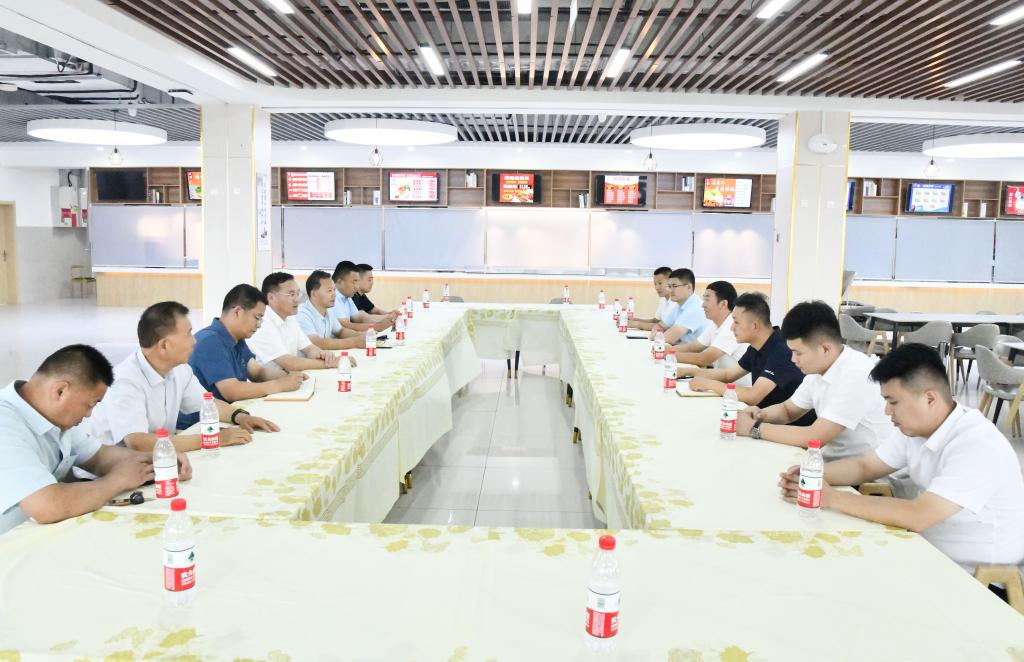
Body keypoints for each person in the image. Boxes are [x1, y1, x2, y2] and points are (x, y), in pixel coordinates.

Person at [778, 343, 1024, 571]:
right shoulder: (918, 429)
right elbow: (865, 467)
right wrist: (810, 474)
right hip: (927, 551)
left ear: (930, 399)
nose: (887, 411)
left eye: (893, 402)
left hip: (975, 576)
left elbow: (918, 515)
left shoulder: (976, 445)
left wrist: (830, 498)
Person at [0, 345, 194, 536]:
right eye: (90, 404)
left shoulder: (52, 417)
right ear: (60, 391)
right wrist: (117, 481)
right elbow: (47, 506)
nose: (89, 414)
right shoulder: (6, 424)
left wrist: (159, 460)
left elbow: (100, 457)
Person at [87, 301, 279, 453]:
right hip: (115, 471)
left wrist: (240, 416)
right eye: (188, 334)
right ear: (164, 345)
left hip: (158, 458)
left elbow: (207, 404)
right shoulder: (125, 380)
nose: (194, 340)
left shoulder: (179, 369)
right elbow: (138, 443)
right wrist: (213, 439)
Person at [735, 300, 893, 460]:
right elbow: (787, 411)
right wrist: (758, 415)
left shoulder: (856, 373)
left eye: (798, 353)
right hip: (829, 460)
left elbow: (815, 437)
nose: (793, 359)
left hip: (863, 470)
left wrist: (754, 428)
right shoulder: (818, 369)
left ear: (825, 349)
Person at [684, 292, 807, 416]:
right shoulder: (756, 346)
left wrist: (708, 384)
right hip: (762, 415)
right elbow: (728, 375)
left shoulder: (781, 350)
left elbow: (753, 396)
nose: (731, 328)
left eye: (736, 322)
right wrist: (685, 371)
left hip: (785, 424)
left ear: (754, 326)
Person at [189, 284, 308, 402]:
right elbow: (232, 391)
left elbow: (257, 372)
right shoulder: (209, 341)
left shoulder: (237, 339)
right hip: (210, 413)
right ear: (237, 312)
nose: (259, 325)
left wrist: (288, 376)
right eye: (257, 317)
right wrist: (280, 385)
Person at [249, 272, 341, 372]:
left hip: (289, 377)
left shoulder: (289, 318)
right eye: (291, 294)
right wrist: (331, 363)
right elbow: (289, 363)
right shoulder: (262, 322)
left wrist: (323, 355)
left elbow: (309, 348)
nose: (297, 299)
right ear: (271, 297)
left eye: (298, 293)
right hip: (269, 380)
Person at [673, 281, 749, 385]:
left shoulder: (732, 326)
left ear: (723, 304)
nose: (702, 305)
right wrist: (668, 350)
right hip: (721, 383)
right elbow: (694, 347)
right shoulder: (715, 323)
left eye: (707, 300)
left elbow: (705, 358)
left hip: (736, 390)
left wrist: (670, 355)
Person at [297, 270, 365, 355]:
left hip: (324, 358)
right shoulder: (302, 314)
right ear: (314, 293)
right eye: (329, 291)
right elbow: (317, 342)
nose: (334, 294)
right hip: (305, 361)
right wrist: (355, 342)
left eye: (334, 290)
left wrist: (363, 335)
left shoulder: (328, 310)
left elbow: (341, 331)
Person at [331, 262, 397, 334]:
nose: (357, 287)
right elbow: (347, 326)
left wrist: (389, 317)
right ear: (340, 282)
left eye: (357, 282)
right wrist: (378, 326)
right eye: (354, 282)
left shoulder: (347, 296)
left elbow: (359, 317)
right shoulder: (333, 298)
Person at [658, 268, 708, 346]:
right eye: (669, 286)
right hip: (681, 350)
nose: (670, 290)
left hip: (694, 353)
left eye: (674, 286)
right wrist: (661, 337)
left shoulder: (695, 308)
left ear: (689, 287)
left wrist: (662, 337)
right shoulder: (679, 304)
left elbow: (666, 339)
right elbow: (659, 326)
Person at [628, 266, 674, 331]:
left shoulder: (676, 302)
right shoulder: (663, 300)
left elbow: (664, 327)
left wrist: (637, 324)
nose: (657, 288)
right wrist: (634, 320)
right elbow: (656, 321)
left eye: (660, 283)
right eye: (655, 284)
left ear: (670, 282)